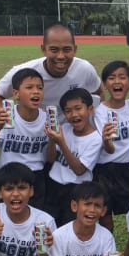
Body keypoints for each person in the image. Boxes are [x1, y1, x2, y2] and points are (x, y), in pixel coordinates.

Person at [0, 22, 102, 116]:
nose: (61, 56)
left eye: (67, 49)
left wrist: (98, 118)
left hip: (71, 133)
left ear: (75, 49)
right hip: (37, 135)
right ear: (43, 49)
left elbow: (98, 92)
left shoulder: (84, 69)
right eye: (54, 50)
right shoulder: (24, 72)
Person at [0, 68, 51, 208]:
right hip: (5, 174)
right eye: (29, 87)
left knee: (32, 221)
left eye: (40, 88)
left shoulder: (47, 119)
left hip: (34, 176)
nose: (36, 91)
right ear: (16, 94)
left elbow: (50, 158)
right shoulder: (6, 116)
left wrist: (54, 139)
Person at [92, 61, 129, 231]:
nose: (117, 81)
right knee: (105, 219)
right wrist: (106, 141)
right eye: (111, 78)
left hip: (124, 170)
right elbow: (108, 149)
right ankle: (108, 254)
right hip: (102, 172)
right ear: (105, 85)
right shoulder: (99, 112)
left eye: (122, 77)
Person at [45, 88, 102, 226]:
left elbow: (79, 170)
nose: (74, 114)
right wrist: (52, 139)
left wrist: (62, 143)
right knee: (50, 225)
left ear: (90, 109)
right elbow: (50, 159)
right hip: (53, 185)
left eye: (78, 108)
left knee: (69, 227)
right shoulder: (64, 129)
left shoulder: (95, 139)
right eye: (68, 111)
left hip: (76, 190)